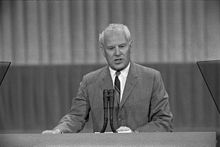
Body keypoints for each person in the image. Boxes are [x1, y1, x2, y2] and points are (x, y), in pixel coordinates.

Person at [42, 24, 173, 134]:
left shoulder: (152, 77)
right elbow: (76, 117)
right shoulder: (89, 81)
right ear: (103, 50)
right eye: (111, 48)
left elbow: (164, 121)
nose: (117, 53)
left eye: (122, 46)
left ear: (130, 46)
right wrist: (58, 131)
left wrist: (135, 135)